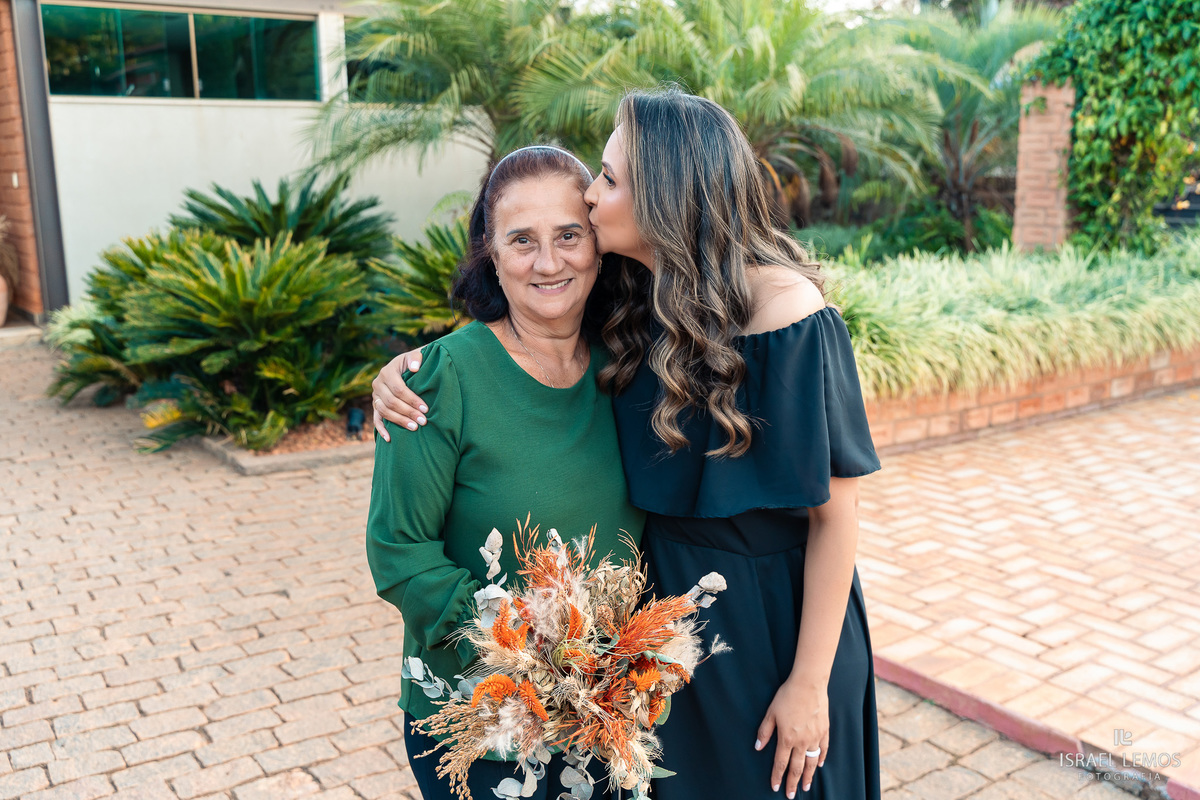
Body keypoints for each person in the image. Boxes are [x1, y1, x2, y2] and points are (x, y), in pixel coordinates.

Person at [373, 87, 883, 800]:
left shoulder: (776, 311)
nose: (589, 196)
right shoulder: (638, 311)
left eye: (606, 183)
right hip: (654, 660)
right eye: (523, 239)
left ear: (666, 200)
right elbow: (506, 347)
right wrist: (401, 374)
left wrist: (809, 682)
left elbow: (838, 515)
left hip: (771, 634)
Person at [364, 144, 645, 800]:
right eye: (523, 241)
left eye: (569, 235)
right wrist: (530, 644)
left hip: (607, 721)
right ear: (489, 251)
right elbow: (399, 554)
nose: (549, 263)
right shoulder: (438, 381)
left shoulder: (630, 364)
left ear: (598, 243)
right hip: (485, 726)